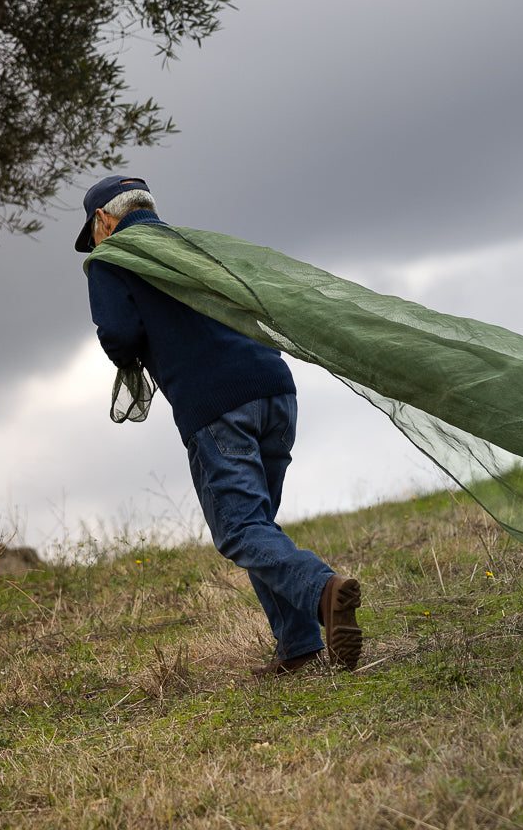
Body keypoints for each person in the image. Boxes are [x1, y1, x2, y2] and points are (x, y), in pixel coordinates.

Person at [76, 174, 362, 676]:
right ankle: (299, 648)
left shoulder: (111, 259)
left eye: (93, 233)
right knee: (260, 527)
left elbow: (119, 336)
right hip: (275, 389)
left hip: (216, 406)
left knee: (240, 531)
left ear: (103, 220)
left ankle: (324, 590)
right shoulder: (196, 245)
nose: (96, 243)